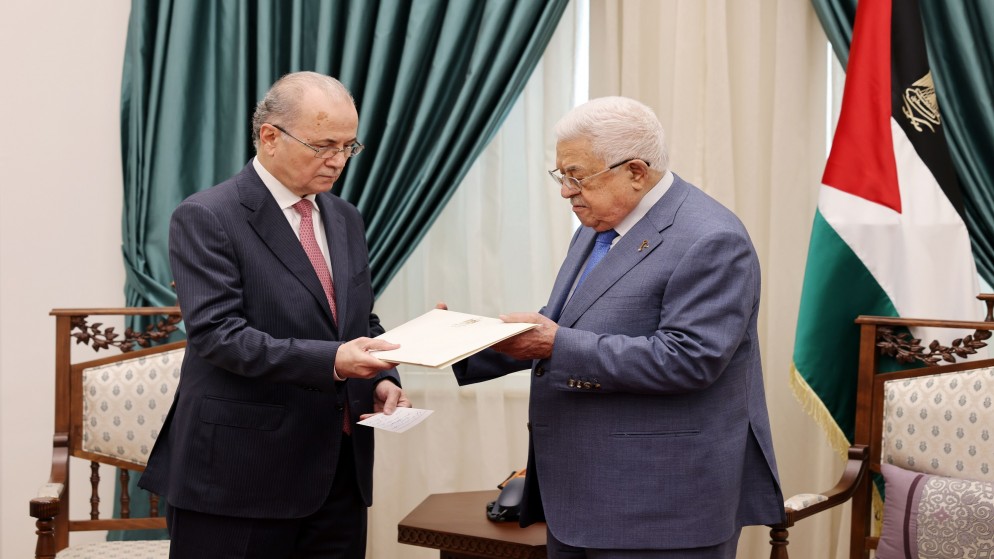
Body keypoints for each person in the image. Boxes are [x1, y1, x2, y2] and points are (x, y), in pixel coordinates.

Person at [449, 96, 784, 558]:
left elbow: (689, 359)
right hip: (578, 498)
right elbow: (568, 322)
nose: (566, 192)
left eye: (577, 176)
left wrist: (555, 345)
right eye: (561, 176)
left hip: (662, 504)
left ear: (636, 172)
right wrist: (460, 342)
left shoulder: (712, 237)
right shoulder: (597, 225)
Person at [139, 71, 409, 559]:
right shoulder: (208, 215)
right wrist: (335, 361)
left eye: (348, 146)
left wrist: (381, 377)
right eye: (324, 145)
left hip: (338, 474)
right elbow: (219, 335)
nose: (338, 160)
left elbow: (356, 320)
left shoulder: (345, 217)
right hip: (239, 476)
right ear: (269, 137)